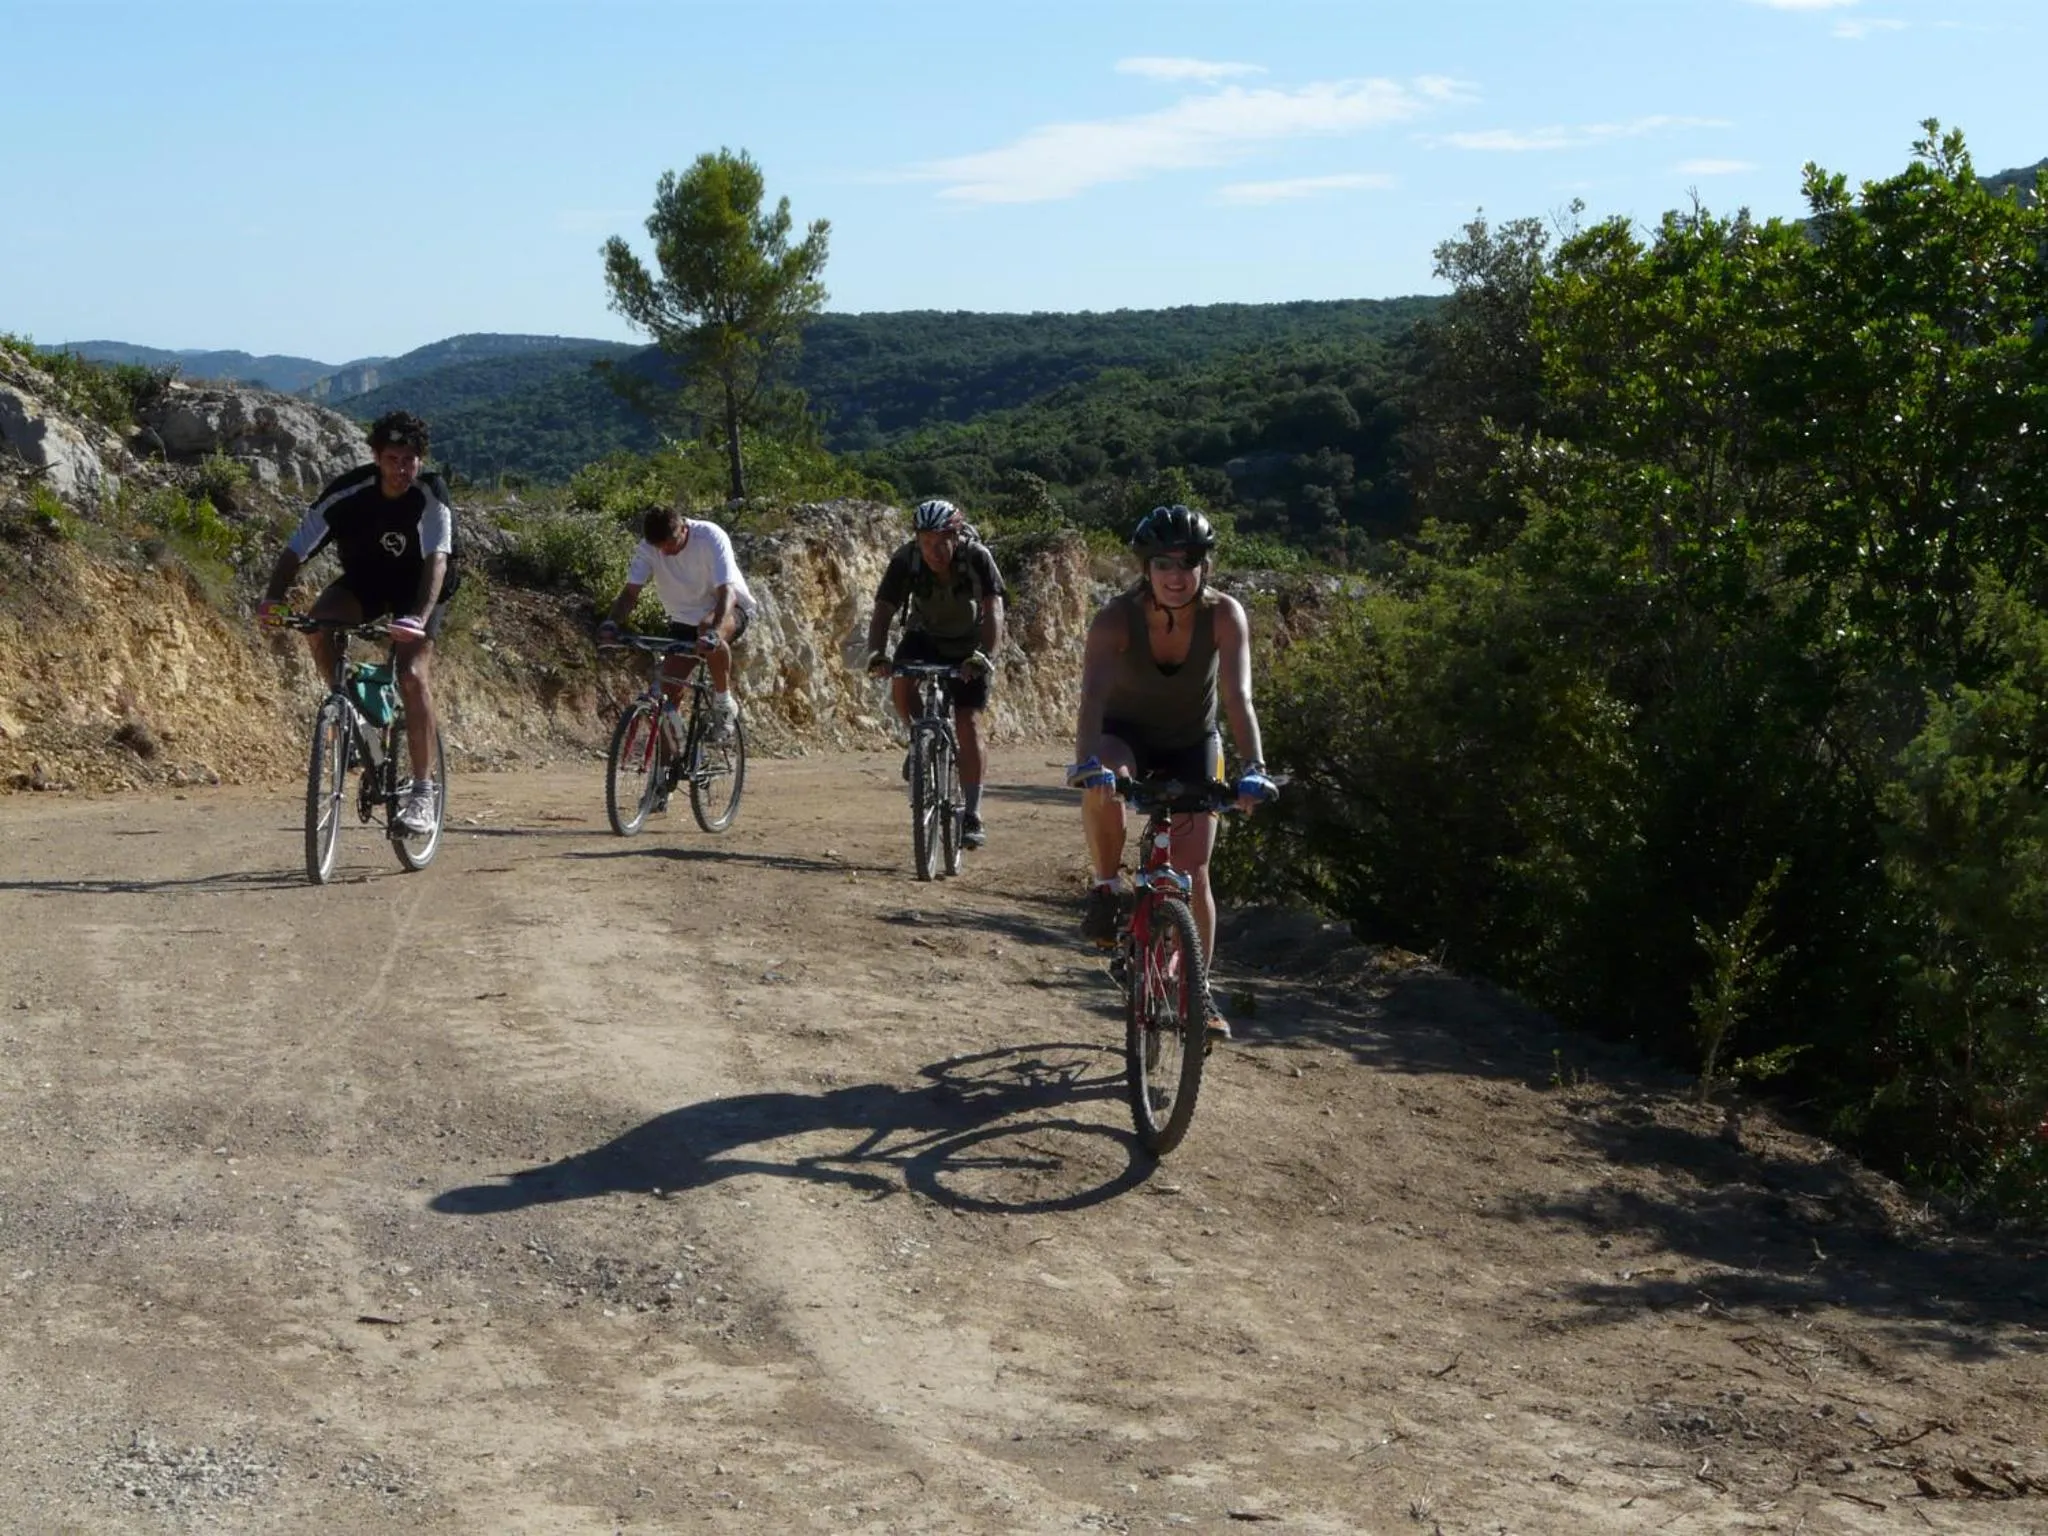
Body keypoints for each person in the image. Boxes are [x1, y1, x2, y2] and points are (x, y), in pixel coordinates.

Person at [1065, 504, 1278, 1040]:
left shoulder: (1225, 616)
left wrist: (1254, 768)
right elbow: (1091, 698)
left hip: (1193, 742)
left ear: (1205, 567)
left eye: (1188, 563)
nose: (1176, 576)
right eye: (1164, 564)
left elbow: (1238, 697)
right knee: (1105, 785)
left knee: (1195, 870)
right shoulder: (1115, 618)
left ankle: (1198, 993)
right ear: (1146, 568)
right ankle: (1108, 887)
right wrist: (1088, 762)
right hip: (1123, 734)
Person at [258, 410, 455, 835]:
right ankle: (348, 710)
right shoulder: (349, 492)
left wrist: (418, 620)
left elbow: (437, 560)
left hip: (419, 590)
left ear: (421, 460)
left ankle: (422, 792)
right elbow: (297, 548)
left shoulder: (430, 493)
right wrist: (272, 599)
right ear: (375, 457)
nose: (401, 470)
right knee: (316, 625)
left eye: (409, 460)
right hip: (365, 584)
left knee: (412, 674)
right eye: (391, 459)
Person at [864, 498, 1007, 849]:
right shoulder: (906, 559)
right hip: (924, 635)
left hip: (969, 643)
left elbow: (994, 610)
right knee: (901, 679)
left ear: (955, 537)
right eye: (925, 542)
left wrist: (983, 655)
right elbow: (884, 609)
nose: (933, 551)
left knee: (967, 722)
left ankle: (972, 813)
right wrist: (877, 652)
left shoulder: (976, 557)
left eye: (940, 542)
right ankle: (919, 741)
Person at [596, 505, 757, 740]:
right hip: (683, 621)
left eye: (670, 543)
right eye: (659, 547)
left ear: (684, 527)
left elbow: (727, 592)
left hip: (728, 609)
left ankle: (723, 702)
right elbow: (630, 593)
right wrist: (612, 623)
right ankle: (664, 770)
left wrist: (713, 632)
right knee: (665, 693)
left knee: (706, 628)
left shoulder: (710, 536)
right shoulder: (649, 548)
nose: (666, 551)